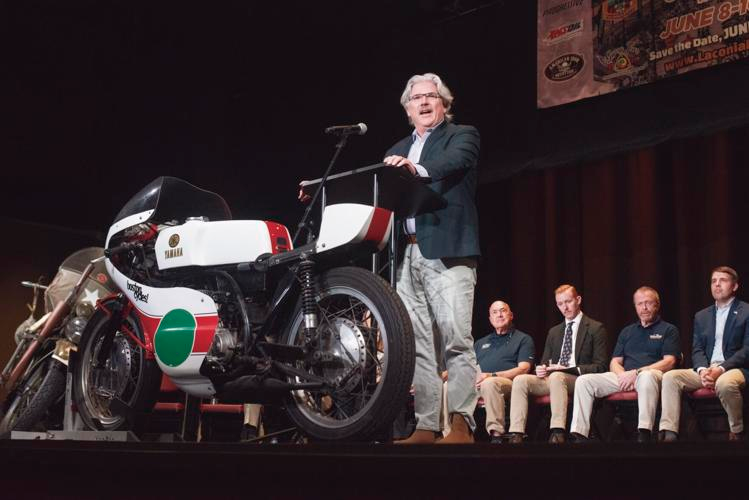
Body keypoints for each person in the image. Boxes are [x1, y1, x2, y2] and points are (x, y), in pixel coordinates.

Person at [385, 73, 481, 444]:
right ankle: (426, 425)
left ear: (444, 103)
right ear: (408, 109)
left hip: (448, 248)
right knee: (417, 346)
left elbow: (452, 163)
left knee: (456, 338)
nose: (424, 103)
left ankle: (461, 423)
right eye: (416, 99)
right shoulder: (395, 148)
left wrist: (414, 170)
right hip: (405, 254)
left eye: (431, 96)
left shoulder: (463, 136)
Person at [570, 286, 680, 443]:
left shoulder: (669, 329)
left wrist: (636, 373)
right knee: (584, 381)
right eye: (640, 303)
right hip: (625, 376)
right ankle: (580, 434)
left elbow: (670, 361)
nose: (644, 307)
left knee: (646, 377)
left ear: (657, 304)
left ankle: (644, 432)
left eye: (648, 303)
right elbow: (615, 361)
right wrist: (622, 375)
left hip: (652, 375)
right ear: (635, 306)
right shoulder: (627, 332)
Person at [507, 284, 608, 444]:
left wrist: (567, 369)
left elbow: (601, 366)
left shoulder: (595, 328)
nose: (565, 307)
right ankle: (516, 433)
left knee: (558, 376)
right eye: (560, 304)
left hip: (578, 380)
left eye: (568, 302)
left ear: (578, 300)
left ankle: (557, 431)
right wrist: (541, 369)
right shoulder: (554, 332)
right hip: (554, 379)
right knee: (521, 380)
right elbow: (545, 363)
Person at [659, 266, 749, 442]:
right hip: (707, 370)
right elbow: (697, 349)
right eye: (713, 281)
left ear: (735, 286)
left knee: (724, 383)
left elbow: (747, 349)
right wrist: (702, 370)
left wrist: (720, 369)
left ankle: (737, 431)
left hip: (735, 368)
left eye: (722, 280)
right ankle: (669, 433)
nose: (717, 285)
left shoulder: (746, 311)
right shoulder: (702, 316)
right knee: (670, 377)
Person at [442, 301, 533, 443]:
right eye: (495, 312)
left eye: (503, 311)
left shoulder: (523, 339)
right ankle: (449, 433)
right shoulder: (480, 343)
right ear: (490, 319)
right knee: (448, 385)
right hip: (478, 383)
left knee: (489, 383)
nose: (500, 315)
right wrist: (443, 376)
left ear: (511, 315)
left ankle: (496, 434)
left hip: (508, 384)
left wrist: (492, 375)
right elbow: (465, 365)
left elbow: (524, 368)